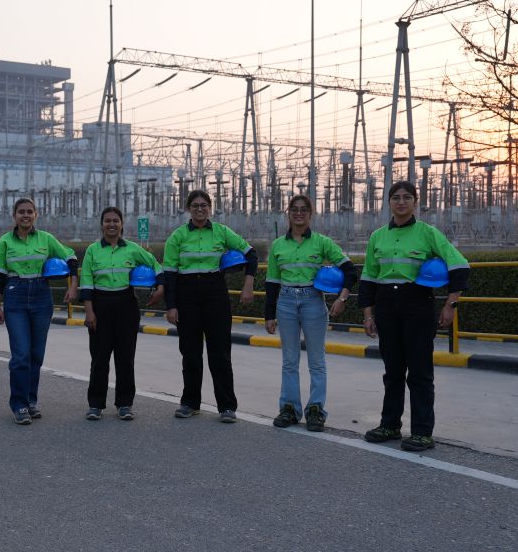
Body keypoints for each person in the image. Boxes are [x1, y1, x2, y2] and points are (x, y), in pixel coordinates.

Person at [358, 180, 469, 452]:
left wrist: (451, 304)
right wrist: (368, 314)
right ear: (389, 202)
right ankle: (390, 425)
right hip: (386, 307)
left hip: (417, 305)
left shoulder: (428, 233)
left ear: (415, 202)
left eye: (407, 197)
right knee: (393, 371)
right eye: (396, 197)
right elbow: (369, 277)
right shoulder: (377, 237)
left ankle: (422, 432)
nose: (401, 202)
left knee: (420, 372)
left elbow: (459, 265)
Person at [264, 195, 357, 432]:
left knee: (316, 361)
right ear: (288, 213)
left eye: (304, 209)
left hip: (313, 301)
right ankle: (289, 409)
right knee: (289, 360)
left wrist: (342, 298)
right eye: (294, 209)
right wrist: (269, 315)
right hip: (285, 302)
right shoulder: (278, 245)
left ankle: (316, 409)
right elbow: (272, 282)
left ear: (310, 214)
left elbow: (349, 270)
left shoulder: (322, 242)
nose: (299, 213)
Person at [163, 190, 257, 423]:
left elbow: (251, 254)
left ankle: (227, 407)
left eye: (204, 205)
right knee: (190, 352)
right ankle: (190, 403)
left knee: (220, 352)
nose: (200, 209)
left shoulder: (221, 232)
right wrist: (171, 306)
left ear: (210, 208)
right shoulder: (177, 236)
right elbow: (170, 274)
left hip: (215, 293)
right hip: (186, 295)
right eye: (195, 205)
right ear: (188, 209)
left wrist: (248, 284)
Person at [0, 198, 78, 424]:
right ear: (14, 215)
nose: (26, 215)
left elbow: (70, 257)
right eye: (21, 212)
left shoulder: (46, 239)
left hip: (41, 295)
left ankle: (31, 401)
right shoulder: (4, 241)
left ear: (36, 215)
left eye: (30, 212)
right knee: (21, 355)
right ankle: (19, 404)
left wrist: (73, 285)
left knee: (36, 355)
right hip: (15, 295)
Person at [80, 207, 164, 421]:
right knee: (99, 358)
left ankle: (125, 404)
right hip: (100, 305)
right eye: (107, 221)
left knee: (125, 358)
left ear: (122, 224)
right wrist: (89, 312)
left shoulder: (133, 249)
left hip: (126, 304)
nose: (111, 224)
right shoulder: (92, 250)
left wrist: (160, 288)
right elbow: (86, 282)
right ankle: (95, 404)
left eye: (115, 221)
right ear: (101, 224)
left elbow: (156, 266)